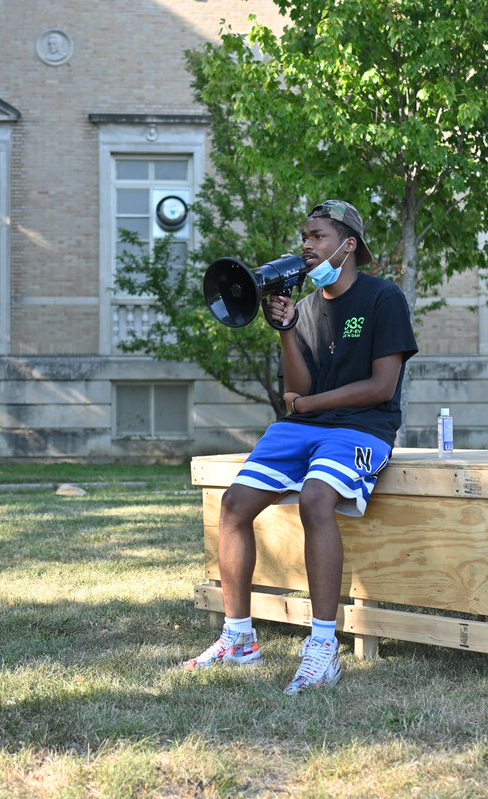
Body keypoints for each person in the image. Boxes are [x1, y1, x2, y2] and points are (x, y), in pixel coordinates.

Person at [182, 199, 418, 694]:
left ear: (347, 245)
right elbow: (297, 387)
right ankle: (239, 639)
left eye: (317, 236)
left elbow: (381, 387)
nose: (306, 245)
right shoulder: (307, 308)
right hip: (304, 426)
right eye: (304, 237)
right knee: (234, 504)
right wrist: (286, 331)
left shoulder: (383, 297)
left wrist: (309, 405)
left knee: (315, 498)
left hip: (363, 428)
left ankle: (324, 646)